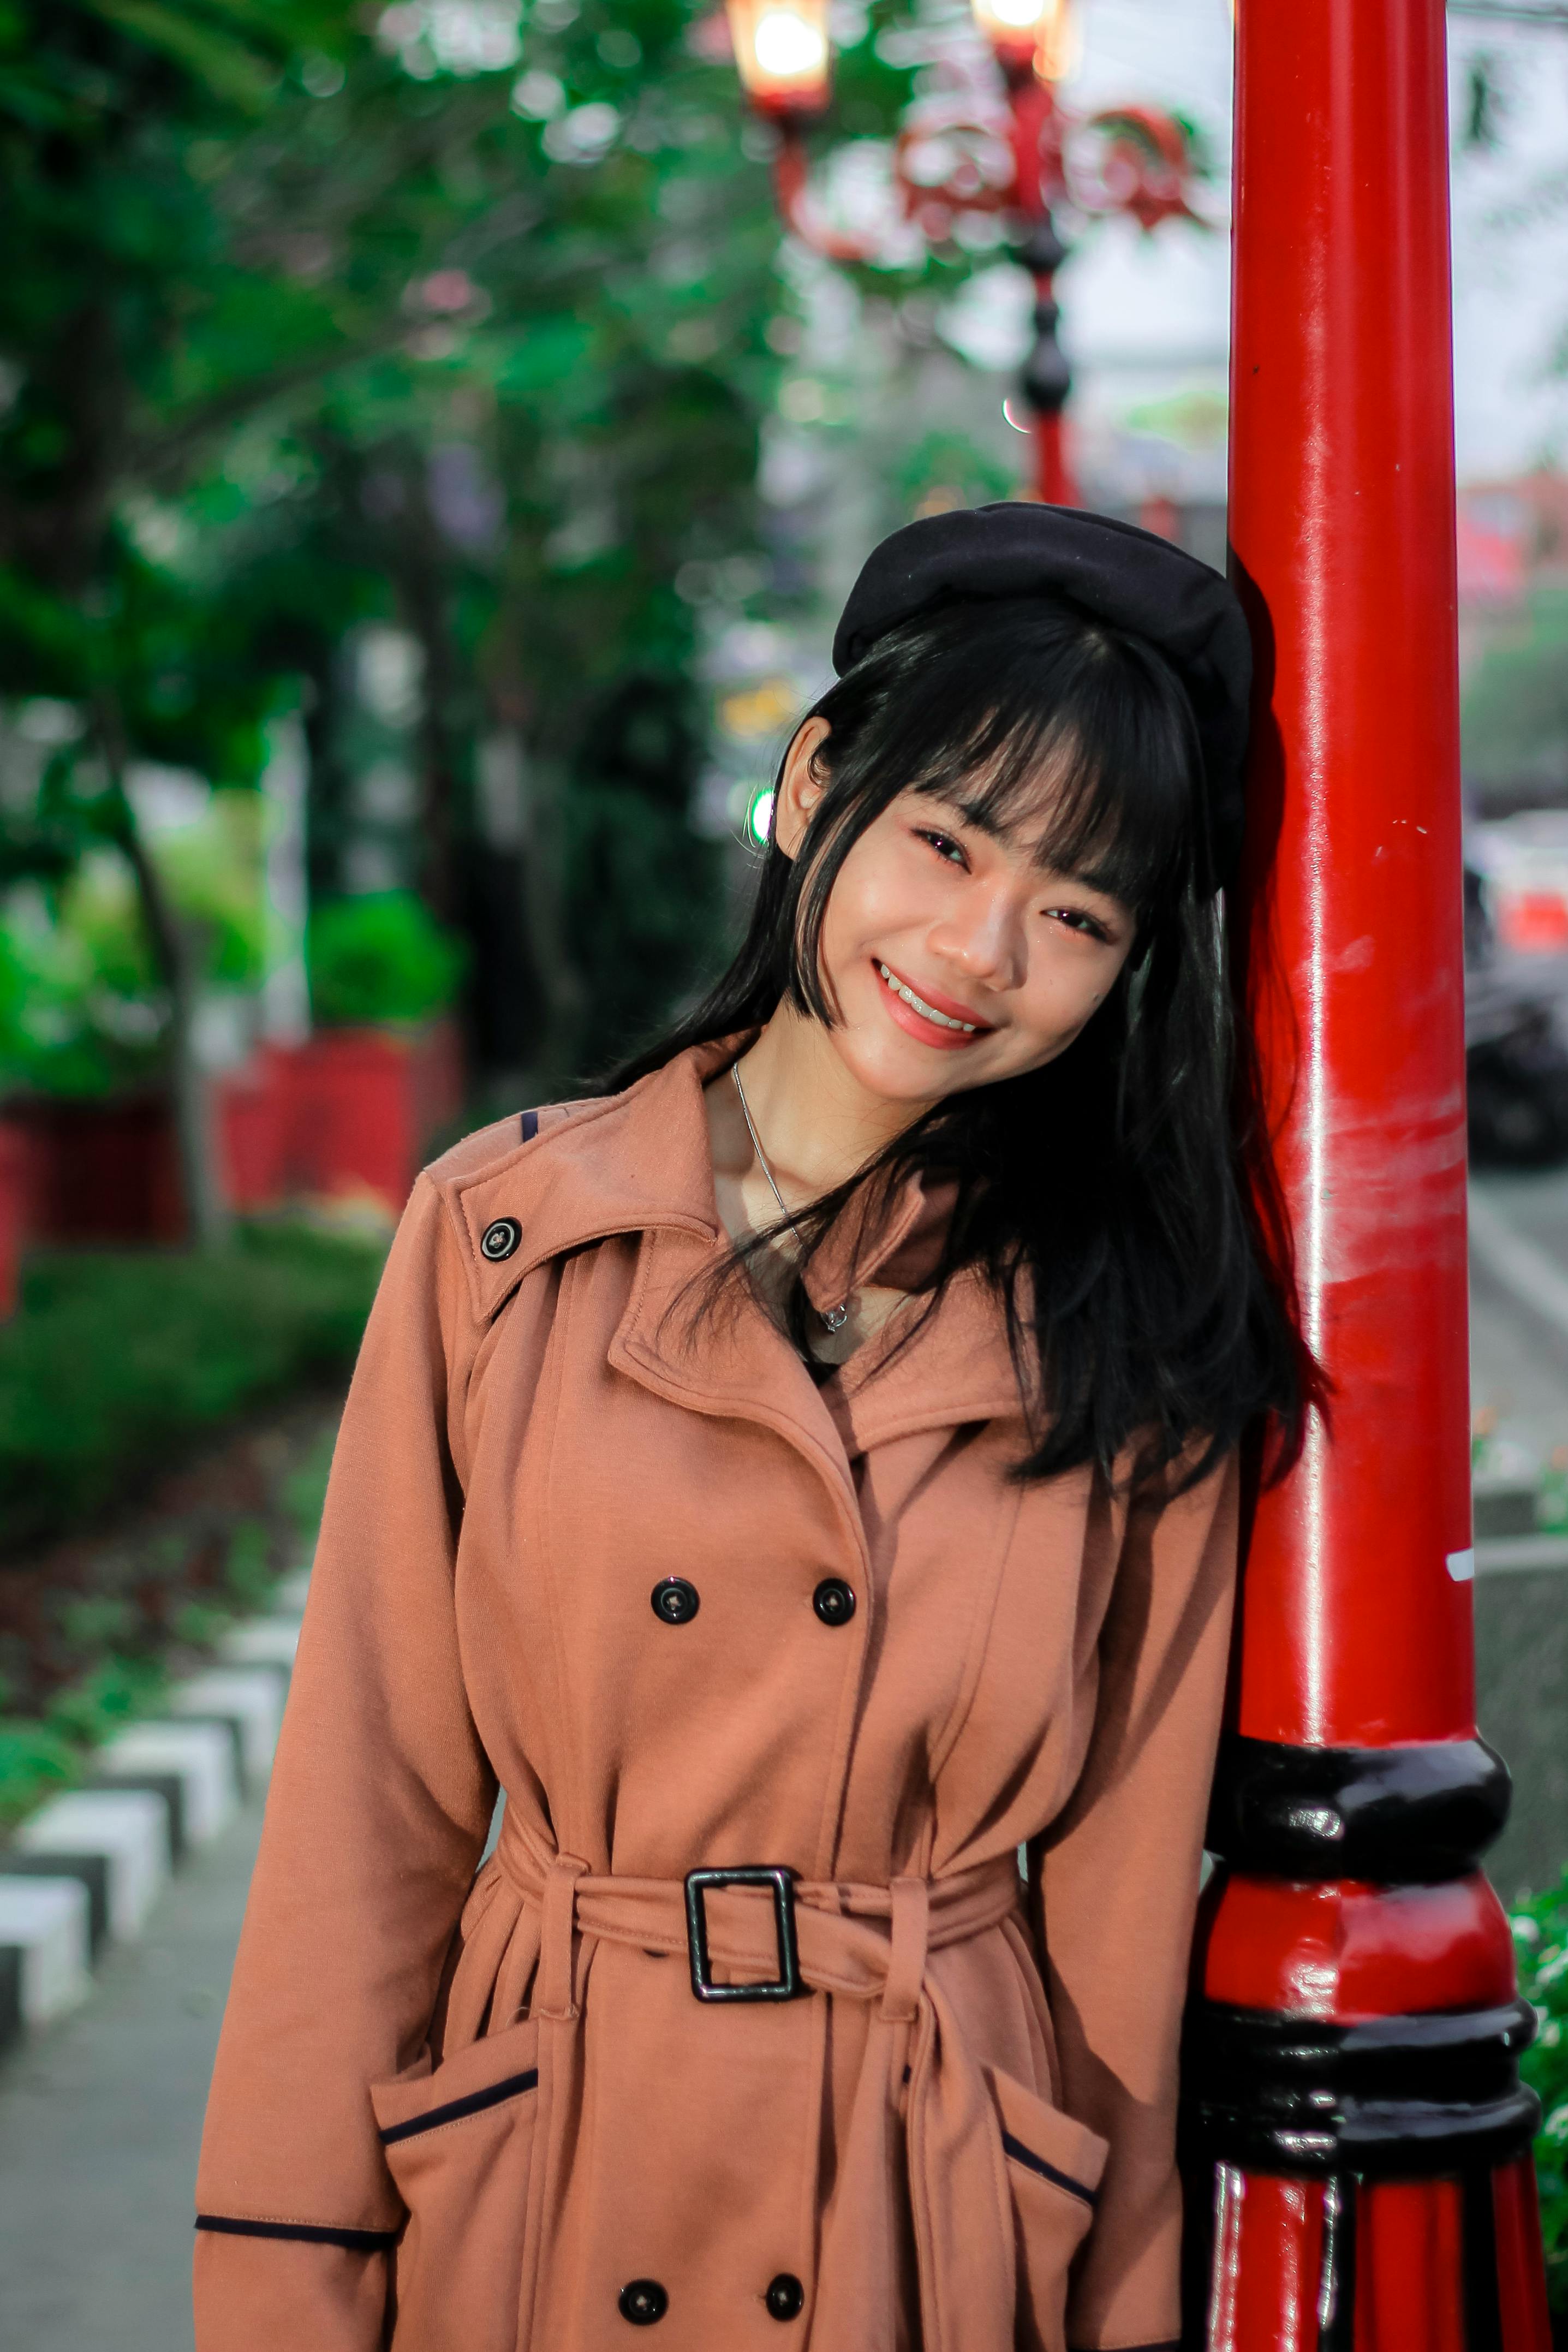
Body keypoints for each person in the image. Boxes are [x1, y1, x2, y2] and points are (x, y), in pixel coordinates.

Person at [194, 502, 1302, 2352]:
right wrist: (285, 2294)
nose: (978, 945)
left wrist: (1113, 2314)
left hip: (918, 2208)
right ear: (811, 785)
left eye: (1076, 912)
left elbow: (1113, 1936)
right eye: (945, 841)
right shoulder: (502, 1240)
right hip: (553, 2171)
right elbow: (365, 1822)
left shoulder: (1133, 1335)